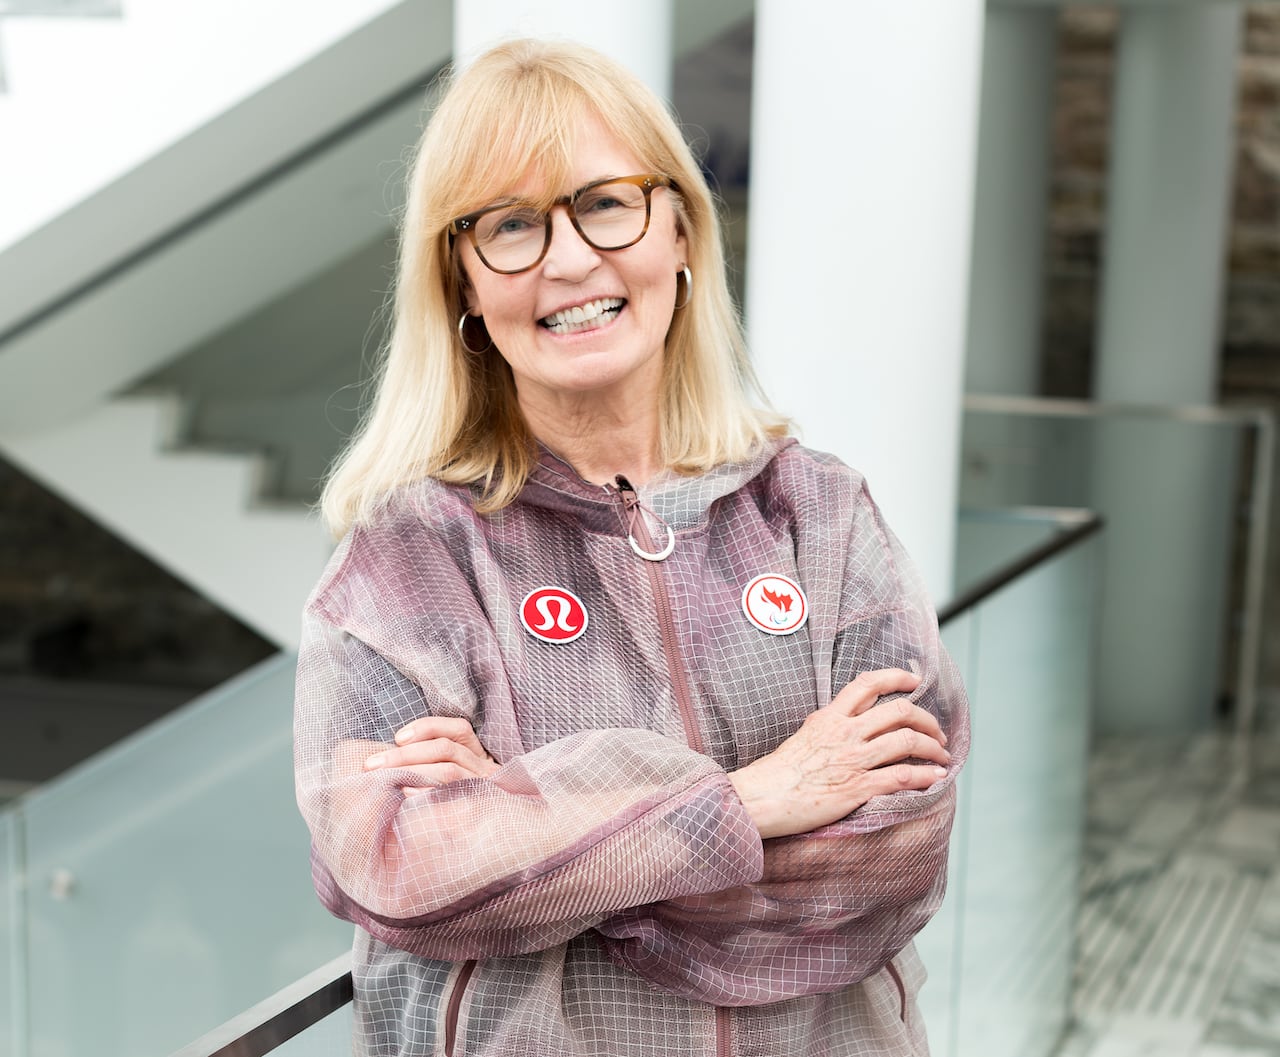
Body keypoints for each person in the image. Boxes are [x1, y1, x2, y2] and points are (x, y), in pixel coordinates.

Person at [294, 37, 969, 1057]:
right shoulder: (408, 560)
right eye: (510, 225)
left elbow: (894, 841)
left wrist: (531, 838)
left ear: (682, 231)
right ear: (464, 284)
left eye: (605, 203)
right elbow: (397, 867)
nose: (568, 260)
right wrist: (753, 798)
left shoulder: (820, 514)